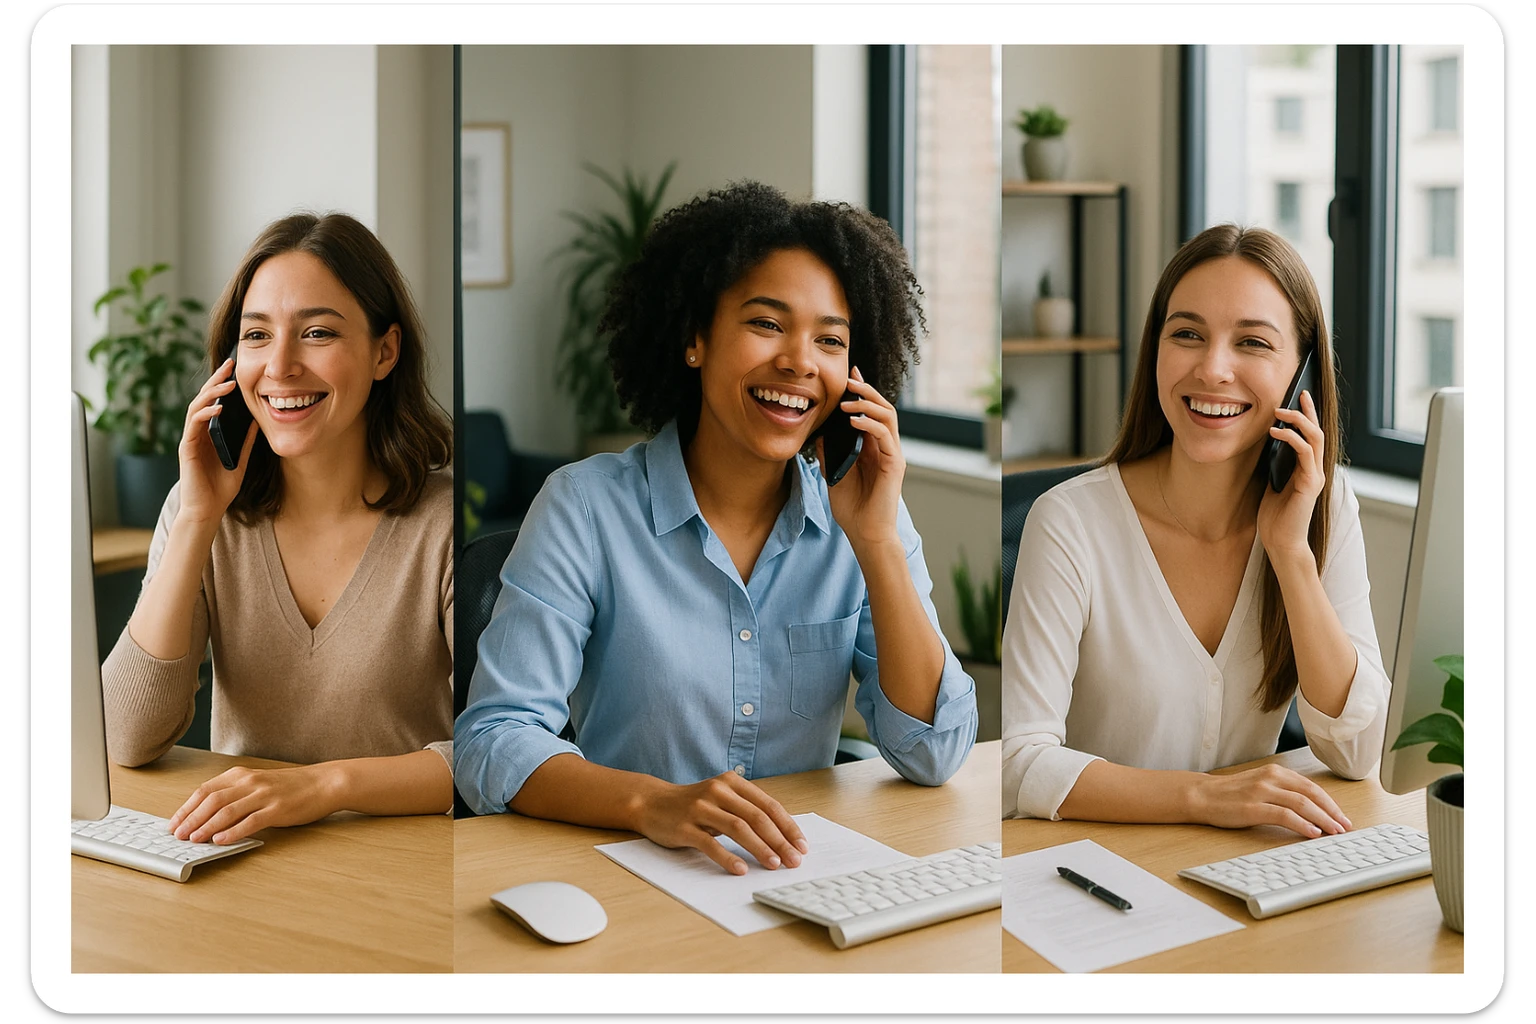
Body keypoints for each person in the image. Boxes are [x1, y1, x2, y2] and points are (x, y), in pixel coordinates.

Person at [455, 182, 978, 874]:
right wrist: (651, 804)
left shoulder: (866, 515)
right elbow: (493, 738)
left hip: (796, 881)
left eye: (829, 340)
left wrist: (876, 541)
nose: (799, 361)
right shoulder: (584, 509)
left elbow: (933, 751)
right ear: (694, 338)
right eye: (766, 324)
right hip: (630, 879)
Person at [1000, 224, 1389, 837]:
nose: (1213, 369)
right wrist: (1204, 799)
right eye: (1187, 334)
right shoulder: (1069, 523)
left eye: (1253, 343)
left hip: (1244, 874)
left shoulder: (1322, 508)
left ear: (1302, 375)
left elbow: (1359, 751)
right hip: (1092, 872)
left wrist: (1290, 553)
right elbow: (1018, 764)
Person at [101, 212, 455, 845]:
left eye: (316, 332)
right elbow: (124, 737)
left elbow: (500, 753)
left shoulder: (444, 527)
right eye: (257, 336)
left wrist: (325, 787)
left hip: (406, 874)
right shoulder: (203, 513)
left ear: (385, 351)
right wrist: (196, 520)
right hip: (247, 870)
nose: (281, 365)